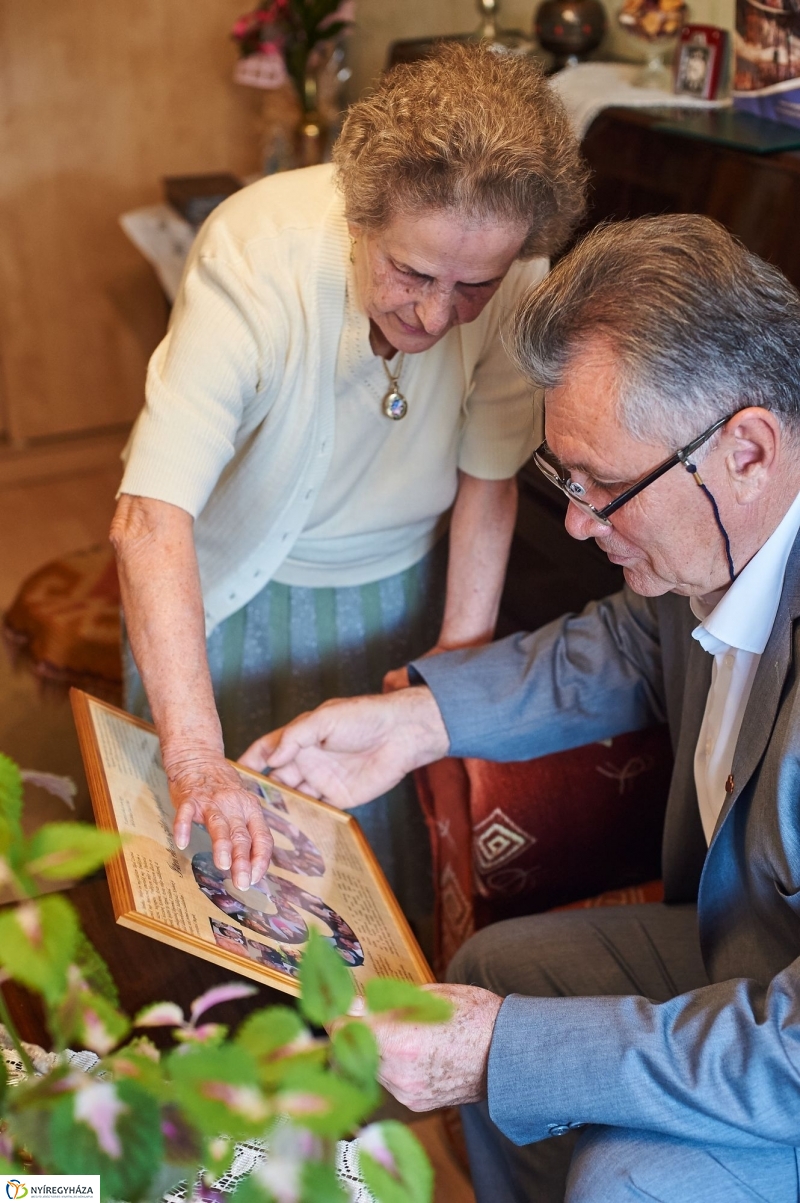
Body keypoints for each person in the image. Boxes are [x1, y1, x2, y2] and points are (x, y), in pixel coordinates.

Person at [240, 214, 800, 1201]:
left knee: (621, 1175)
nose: (579, 523)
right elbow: (629, 643)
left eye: (605, 487)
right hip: (743, 942)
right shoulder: (718, 532)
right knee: (495, 969)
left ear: (747, 449)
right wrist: (413, 723)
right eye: (563, 480)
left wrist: (503, 1052)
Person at [109, 44, 586, 929]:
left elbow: (490, 486)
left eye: (472, 286)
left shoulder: (523, 278)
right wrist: (199, 755)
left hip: (391, 598)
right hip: (220, 601)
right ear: (362, 215)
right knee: (208, 884)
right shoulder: (258, 250)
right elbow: (149, 516)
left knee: (359, 893)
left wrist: (448, 673)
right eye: (413, 273)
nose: (437, 317)